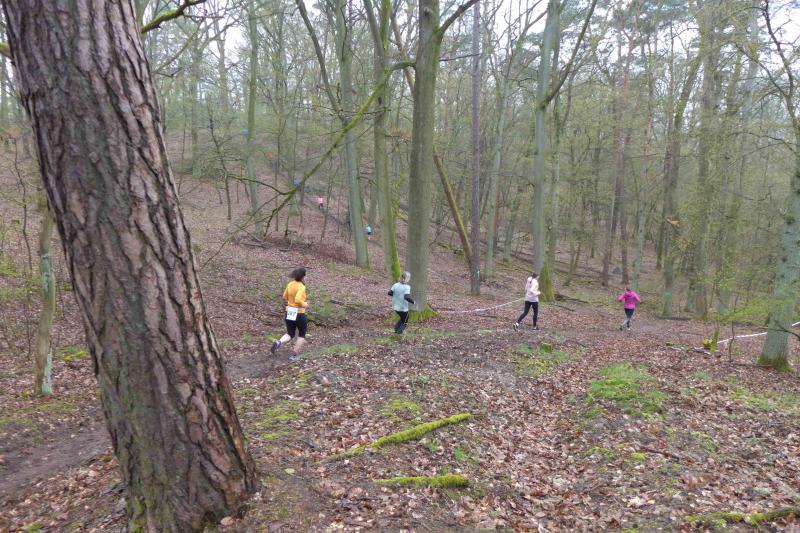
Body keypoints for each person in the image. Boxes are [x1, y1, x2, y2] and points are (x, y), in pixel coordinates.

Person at [271, 268, 309, 361]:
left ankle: (279, 342)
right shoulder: (301, 286)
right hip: (299, 313)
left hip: (289, 312)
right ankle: (294, 355)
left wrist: (291, 301)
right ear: (303, 276)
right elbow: (298, 299)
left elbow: (284, 296)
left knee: (290, 333)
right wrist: (305, 304)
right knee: (302, 335)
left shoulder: (290, 284)